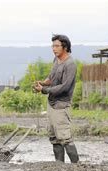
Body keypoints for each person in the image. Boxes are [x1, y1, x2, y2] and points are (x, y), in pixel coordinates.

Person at [34, 34, 79, 163]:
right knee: (54, 138)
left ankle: (77, 167)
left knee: (65, 138)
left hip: (61, 106)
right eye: (53, 46)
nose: (54, 48)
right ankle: (59, 166)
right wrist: (42, 83)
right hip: (51, 104)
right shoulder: (56, 60)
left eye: (57, 46)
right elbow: (51, 78)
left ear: (65, 47)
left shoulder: (70, 64)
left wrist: (44, 90)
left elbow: (64, 87)